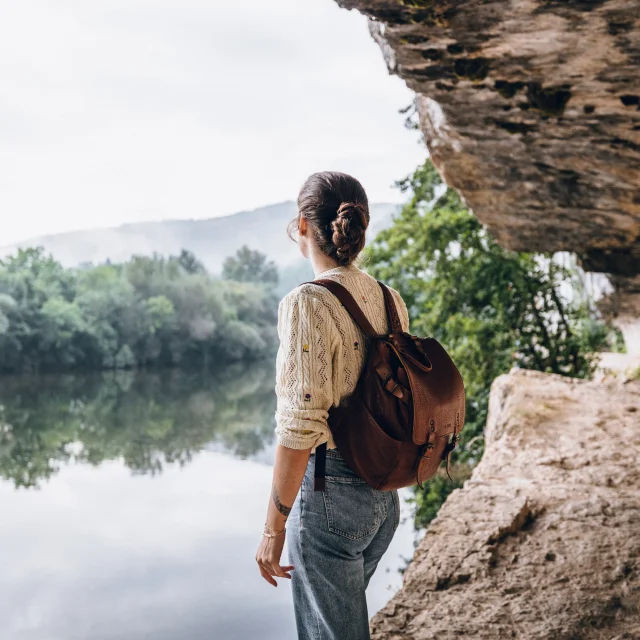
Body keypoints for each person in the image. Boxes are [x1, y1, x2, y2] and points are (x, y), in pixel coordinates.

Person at [255, 171, 410, 640]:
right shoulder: (390, 298)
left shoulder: (307, 302)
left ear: (304, 226)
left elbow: (299, 427)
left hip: (330, 501)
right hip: (383, 495)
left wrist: (272, 528)